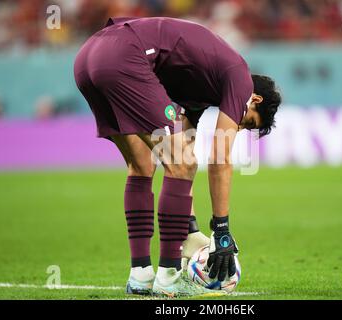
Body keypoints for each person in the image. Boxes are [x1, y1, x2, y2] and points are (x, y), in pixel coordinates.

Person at [74, 17, 281, 297]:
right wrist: (221, 230)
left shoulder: (198, 90)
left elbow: (183, 158)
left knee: (143, 163)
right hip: (124, 56)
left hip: (88, 57)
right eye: (249, 123)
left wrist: (191, 228)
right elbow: (219, 158)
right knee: (180, 162)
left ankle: (141, 275)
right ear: (254, 100)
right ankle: (169, 277)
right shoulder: (240, 78)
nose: (239, 126)